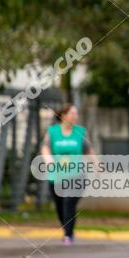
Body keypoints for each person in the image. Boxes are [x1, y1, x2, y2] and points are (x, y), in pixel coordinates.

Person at [40, 104, 94, 245]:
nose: (75, 116)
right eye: (72, 113)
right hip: (57, 175)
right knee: (60, 205)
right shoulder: (53, 132)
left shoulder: (81, 132)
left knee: (68, 202)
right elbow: (45, 148)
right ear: (63, 115)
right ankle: (67, 229)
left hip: (77, 175)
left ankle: (68, 235)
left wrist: (97, 165)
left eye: (76, 114)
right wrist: (48, 160)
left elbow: (88, 151)